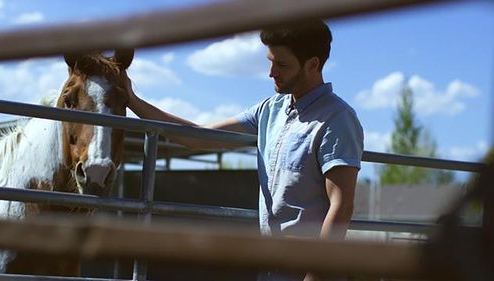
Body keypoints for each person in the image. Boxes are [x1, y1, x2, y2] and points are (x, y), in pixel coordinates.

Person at [124, 19, 363, 281]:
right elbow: (199, 138)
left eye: (281, 64)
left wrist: (315, 275)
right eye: (270, 61)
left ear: (313, 64)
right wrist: (132, 101)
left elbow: (341, 206)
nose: (271, 72)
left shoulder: (337, 119)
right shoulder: (269, 110)